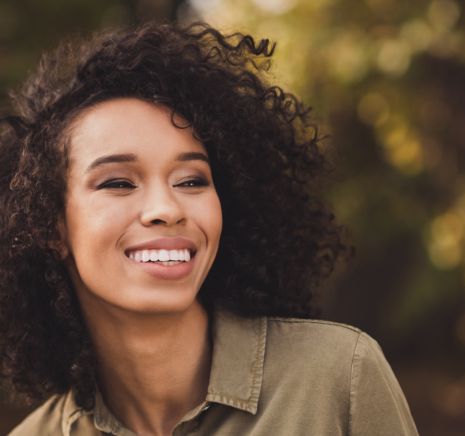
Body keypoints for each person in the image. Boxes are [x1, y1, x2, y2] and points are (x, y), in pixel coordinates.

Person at [0, 22, 418, 435]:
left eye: (191, 180)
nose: (166, 209)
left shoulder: (338, 377)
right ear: (49, 227)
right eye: (119, 183)